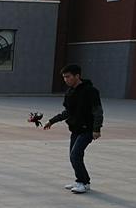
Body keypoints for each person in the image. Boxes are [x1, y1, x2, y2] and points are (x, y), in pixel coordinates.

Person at [43, 64, 103, 194]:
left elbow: (98, 111)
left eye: (68, 76)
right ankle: (83, 181)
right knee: (73, 156)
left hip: (87, 129)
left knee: (75, 155)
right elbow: (67, 112)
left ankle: (82, 182)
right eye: (64, 77)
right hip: (75, 129)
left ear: (77, 76)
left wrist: (96, 129)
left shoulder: (90, 91)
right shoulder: (70, 92)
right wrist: (52, 121)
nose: (66, 79)